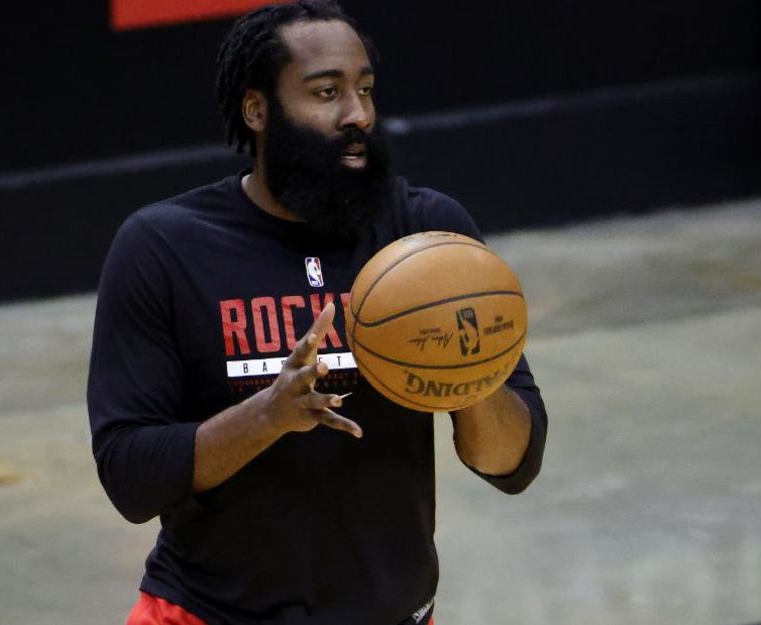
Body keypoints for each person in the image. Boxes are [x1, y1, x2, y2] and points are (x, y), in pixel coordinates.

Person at [86, 2, 548, 624]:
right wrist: (268, 415)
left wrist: (469, 375)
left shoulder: (427, 237)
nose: (356, 114)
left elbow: (512, 464)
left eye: (364, 89)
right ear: (257, 110)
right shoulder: (164, 248)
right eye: (325, 92)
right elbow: (131, 479)